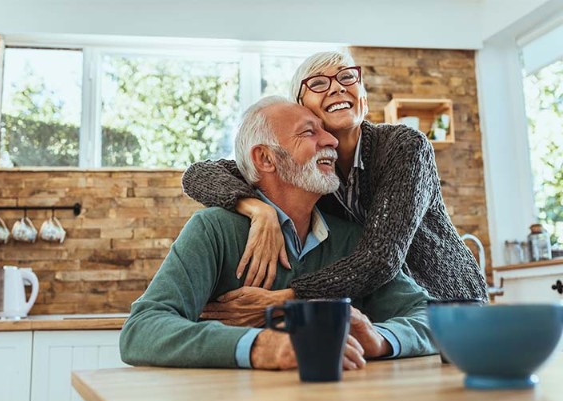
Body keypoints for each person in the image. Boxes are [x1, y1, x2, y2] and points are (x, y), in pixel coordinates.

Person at [119, 96, 436, 370]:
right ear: (265, 158)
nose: (332, 141)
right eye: (309, 132)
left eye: (325, 131)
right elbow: (142, 330)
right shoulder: (214, 230)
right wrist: (261, 346)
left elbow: (431, 318)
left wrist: (380, 339)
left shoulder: (351, 239)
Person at [182, 51, 488, 310]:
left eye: (347, 78)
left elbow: (380, 257)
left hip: (449, 303)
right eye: (318, 83)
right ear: (301, 108)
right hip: (386, 311)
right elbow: (199, 174)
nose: (338, 88)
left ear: (363, 100)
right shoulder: (308, 171)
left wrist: (289, 297)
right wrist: (258, 210)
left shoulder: (404, 146)